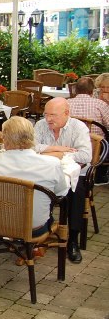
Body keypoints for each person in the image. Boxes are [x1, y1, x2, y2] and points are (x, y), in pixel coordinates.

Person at [0, 116, 68, 236]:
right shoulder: (51, 164)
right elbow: (60, 192)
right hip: (34, 228)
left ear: (4, 138)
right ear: (32, 137)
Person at [33, 97, 92, 263]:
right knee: (33, 187)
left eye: (53, 115)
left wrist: (56, 154)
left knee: (75, 192)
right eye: (46, 114)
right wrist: (57, 149)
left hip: (76, 173)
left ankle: (72, 239)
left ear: (67, 113)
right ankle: (42, 229)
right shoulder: (40, 125)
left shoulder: (78, 127)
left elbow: (86, 156)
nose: (48, 119)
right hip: (46, 172)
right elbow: (31, 147)